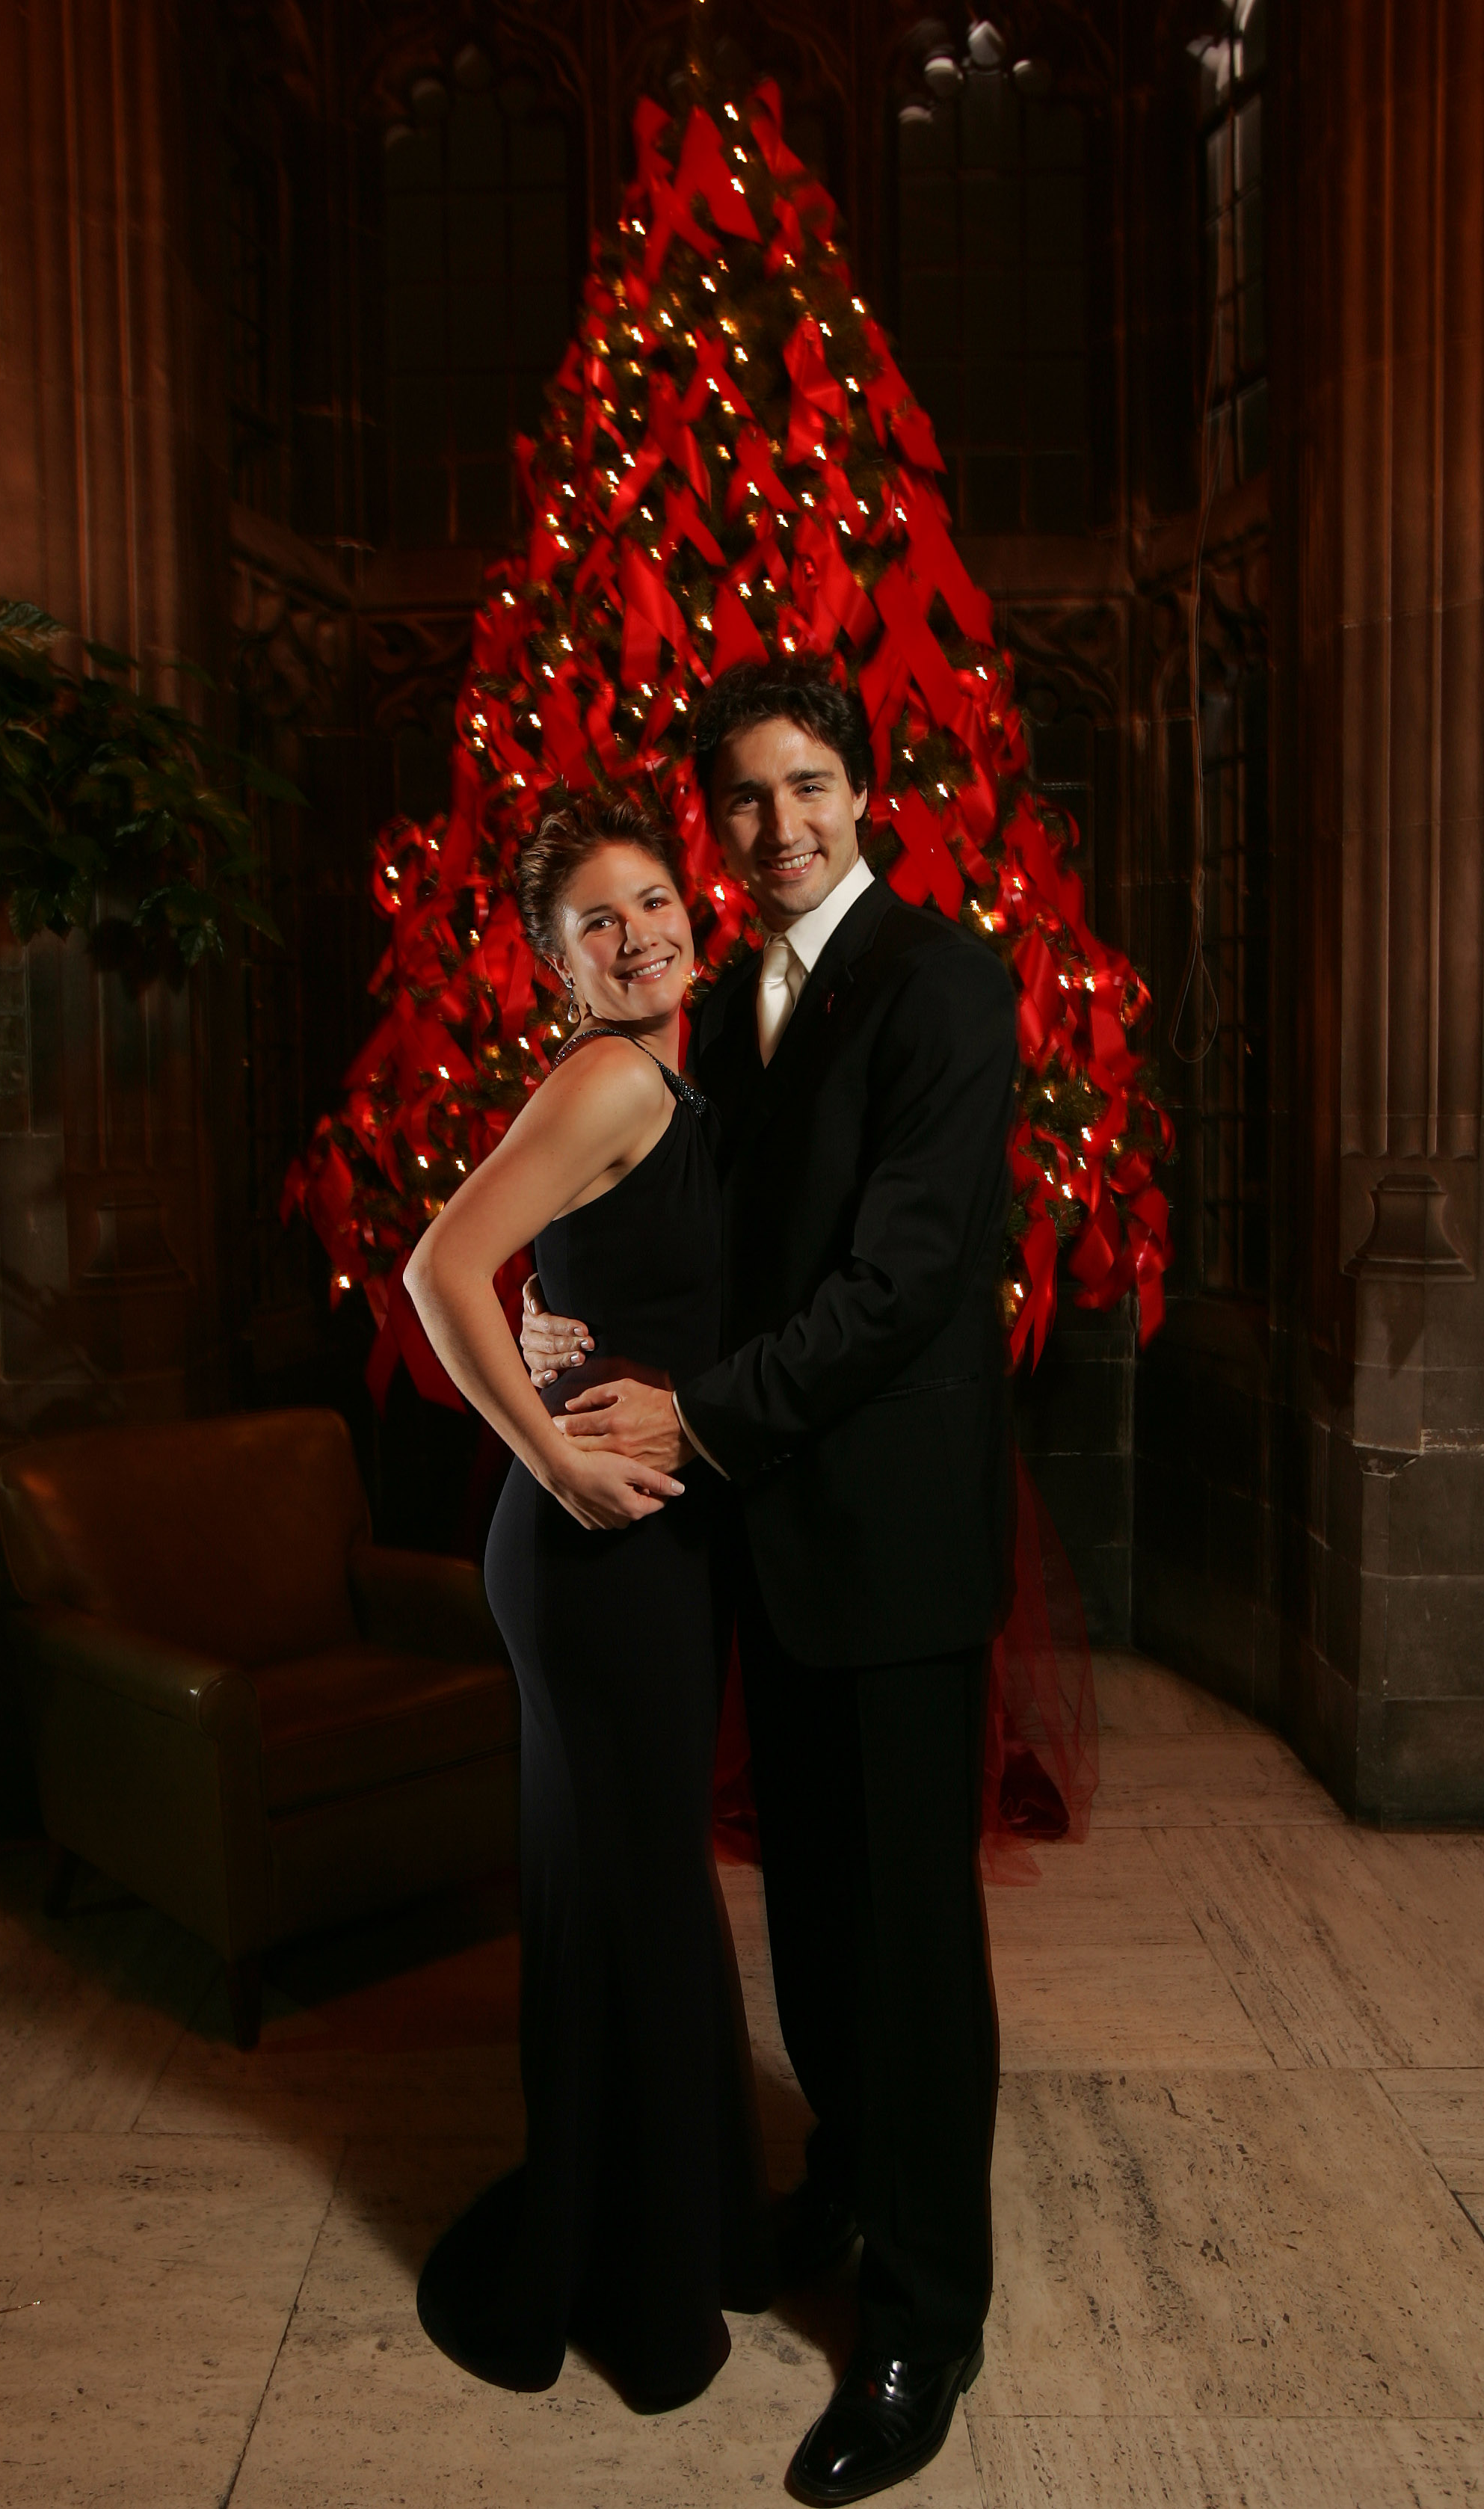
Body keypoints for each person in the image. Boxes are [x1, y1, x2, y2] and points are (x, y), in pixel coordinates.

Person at [521, 660, 1019, 2507]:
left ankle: (925, 2315)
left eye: (805, 783)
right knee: (814, 1915)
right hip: (764, 1548)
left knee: (910, 1941)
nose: (775, 824)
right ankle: (849, 2176)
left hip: (886, 1549)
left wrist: (698, 1406)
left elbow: (897, 1280)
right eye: (740, 798)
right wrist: (558, 1289)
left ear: (862, 785)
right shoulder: (720, 1008)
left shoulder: (946, 985)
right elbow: (674, 1216)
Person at [403, 794, 770, 2411]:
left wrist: (590, 1343)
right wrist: (545, 1454)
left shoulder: (690, 1080)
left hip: (648, 1539)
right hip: (586, 1547)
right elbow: (435, 1268)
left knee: (622, 1890)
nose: (637, 936)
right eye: (594, 925)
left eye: (651, 902)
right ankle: (645, 2282)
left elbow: (629, 1281)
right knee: (637, 1900)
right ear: (557, 968)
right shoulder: (612, 1074)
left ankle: (648, 2224)